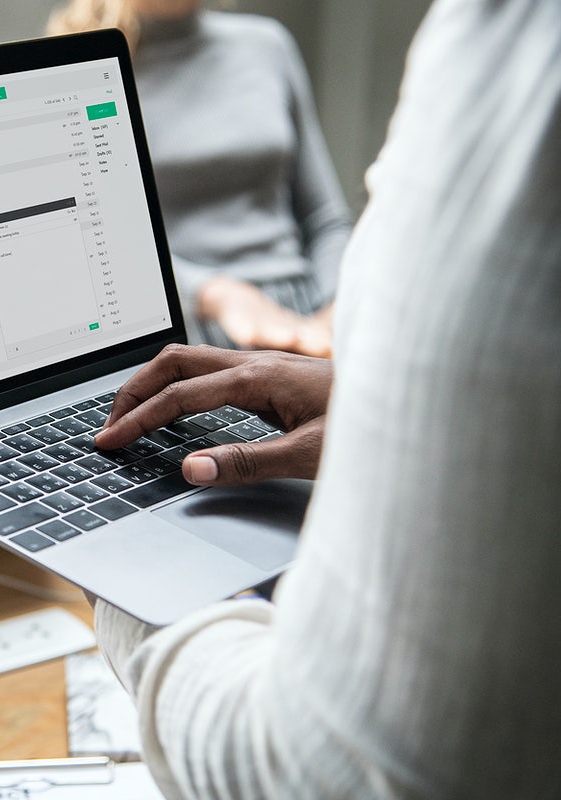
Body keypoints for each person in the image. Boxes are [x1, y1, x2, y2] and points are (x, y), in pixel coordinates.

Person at [88, 0, 561, 796]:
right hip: (212, 331)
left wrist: (117, 580)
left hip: (314, 323)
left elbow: (324, 771)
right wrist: (362, 394)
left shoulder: (515, 55)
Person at [48, 0, 352, 356]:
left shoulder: (268, 45)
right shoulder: (82, 66)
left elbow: (326, 219)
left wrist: (339, 309)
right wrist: (213, 295)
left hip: (306, 319)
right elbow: (97, 244)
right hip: (186, 331)